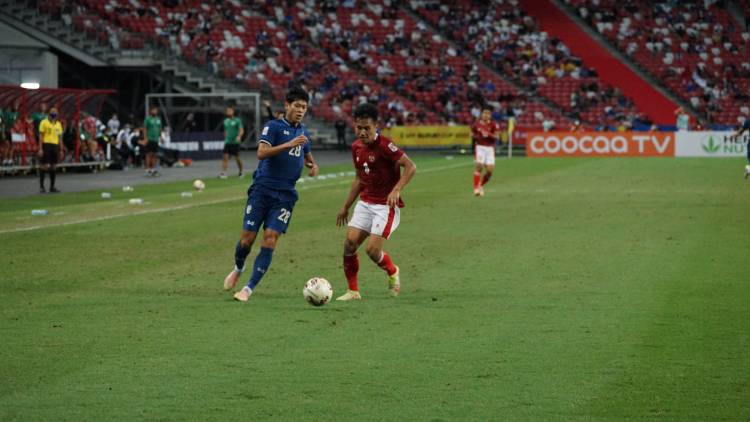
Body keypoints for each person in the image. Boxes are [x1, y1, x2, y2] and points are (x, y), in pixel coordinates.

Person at [223, 86, 320, 302]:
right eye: (297, 106)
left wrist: (313, 166)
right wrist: (289, 144)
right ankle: (238, 267)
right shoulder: (273, 127)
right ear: (287, 105)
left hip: (285, 196)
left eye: (304, 107)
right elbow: (261, 153)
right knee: (247, 240)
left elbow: (308, 158)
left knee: (270, 239)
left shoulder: (303, 133)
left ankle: (248, 289)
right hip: (262, 191)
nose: (301, 110)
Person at [334, 102, 417, 301]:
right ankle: (353, 291)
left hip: (385, 206)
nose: (362, 132)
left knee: (372, 250)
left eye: (367, 128)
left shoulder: (386, 146)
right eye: (359, 127)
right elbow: (359, 179)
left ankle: (392, 270)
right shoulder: (355, 147)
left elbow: (411, 166)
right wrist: (346, 206)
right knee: (349, 244)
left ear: (375, 126)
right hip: (365, 202)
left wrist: (396, 189)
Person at [471, 106, 500, 197]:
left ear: (490, 115)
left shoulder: (494, 124)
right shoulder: (476, 124)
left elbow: (497, 137)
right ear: (481, 114)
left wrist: (488, 133)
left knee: (490, 171)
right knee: (479, 166)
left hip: (490, 149)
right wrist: (477, 136)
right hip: (480, 147)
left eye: (488, 113)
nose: (486, 115)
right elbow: (472, 134)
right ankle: (476, 188)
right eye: (484, 113)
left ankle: (480, 185)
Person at [37, 107, 64, 193]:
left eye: (55, 112)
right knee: (45, 166)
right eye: (52, 112)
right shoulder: (44, 122)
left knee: (53, 167)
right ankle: (42, 187)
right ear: (49, 113)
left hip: (55, 146)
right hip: (46, 145)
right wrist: (40, 148)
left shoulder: (58, 124)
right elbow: (41, 136)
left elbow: (60, 138)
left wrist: (61, 149)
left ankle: (52, 187)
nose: (54, 114)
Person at [219, 106, 244, 179]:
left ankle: (241, 172)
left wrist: (239, 136)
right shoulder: (225, 121)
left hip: (235, 142)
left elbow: (241, 130)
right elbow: (226, 130)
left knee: (237, 158)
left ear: (233, 111)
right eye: (228, 111)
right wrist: (226, 136)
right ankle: (224, 173)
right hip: (228, 142)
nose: (229, 112)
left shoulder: (237, 120)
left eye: (230, 111)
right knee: (225, 157)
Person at [142, 106, 162, 176]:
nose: (155, 111)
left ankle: (153, 169)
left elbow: (160, 129)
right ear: (151, 111)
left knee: (154, 154)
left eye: (156, 110)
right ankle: (148, 169)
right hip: (149, 138)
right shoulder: (148, 119)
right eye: (153, 110)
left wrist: (161, 137)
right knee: (149, 154)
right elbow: (144, 128)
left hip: (155, 139)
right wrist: (145, 138)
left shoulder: (158, 119)